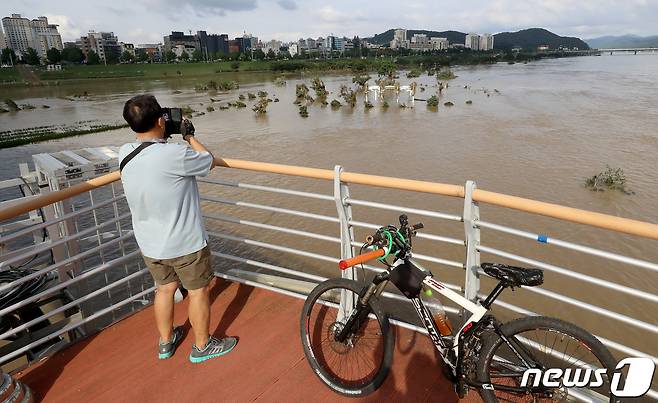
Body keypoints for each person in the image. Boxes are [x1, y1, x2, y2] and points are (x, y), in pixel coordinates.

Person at [119, 94, 237, 363]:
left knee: (164, 289)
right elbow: (207, 161)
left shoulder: (124, 153)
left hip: (150, 243)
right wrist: (189, 136)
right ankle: (203, 346)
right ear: (161, 120)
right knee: (198, 291)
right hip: (185, 242)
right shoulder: (175, 153)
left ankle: (166, 342)